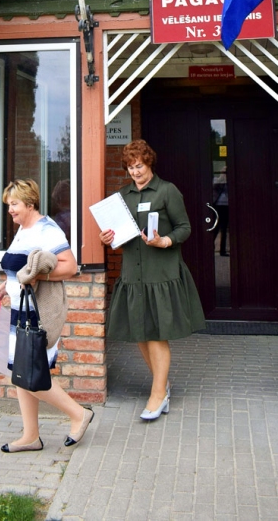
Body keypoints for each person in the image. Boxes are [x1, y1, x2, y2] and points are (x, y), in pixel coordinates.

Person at [100, 139, 205, 421]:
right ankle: (163, 385)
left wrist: (166, 241)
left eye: (139, 166)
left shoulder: (167, 191)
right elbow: (120, 235)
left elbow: (185, 227)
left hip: (162, 272)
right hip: (133, 275)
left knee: (157, 334)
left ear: (149, 164)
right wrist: (108, 239)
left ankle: (157, 394)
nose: (135, 172)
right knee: (141, 334)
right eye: (131, 167)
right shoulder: (123, 195)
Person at [0, 179, 94, 452]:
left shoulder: (47, 229)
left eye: (14, 204)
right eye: (8, 205)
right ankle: (31, 436)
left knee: (32, 374)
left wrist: (38, 275)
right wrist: (4, 286)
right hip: (19, 310)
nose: (9, 210)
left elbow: (70, 267)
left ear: (29, 202)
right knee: (20, 372)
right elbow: (20, 267)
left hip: (37, 314)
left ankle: (79, 414)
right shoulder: (24, 230)